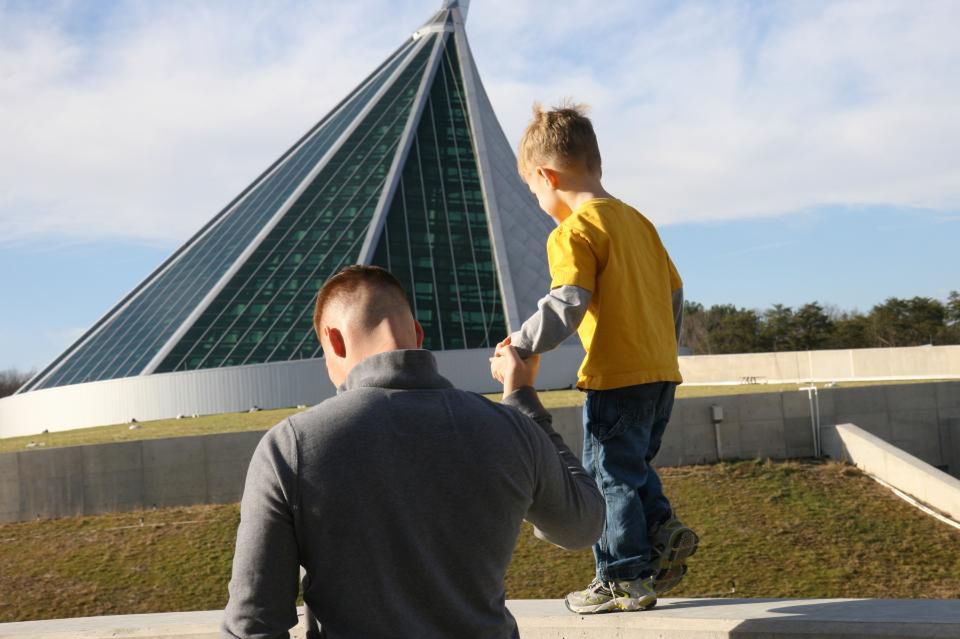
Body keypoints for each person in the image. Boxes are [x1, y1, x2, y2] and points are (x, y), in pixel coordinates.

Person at [221, 265, 604, 639]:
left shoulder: (292, 445)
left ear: (334, 341)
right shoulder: (512, 428)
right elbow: (583, 526)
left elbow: (254, 623)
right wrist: (523, 404)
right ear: (418, 335)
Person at [495, 102, 699, 614]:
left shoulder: (573, 231)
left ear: (546, 175)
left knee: (606, 476)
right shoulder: (638, 222)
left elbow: (567, 302)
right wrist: (660, 349)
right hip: (660, 375)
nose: (538, 200)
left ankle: (621, 577)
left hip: (614, 376)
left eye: (533, 190)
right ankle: (660, 526)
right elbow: (675, 294)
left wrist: (521, 343)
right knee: (629, 467)